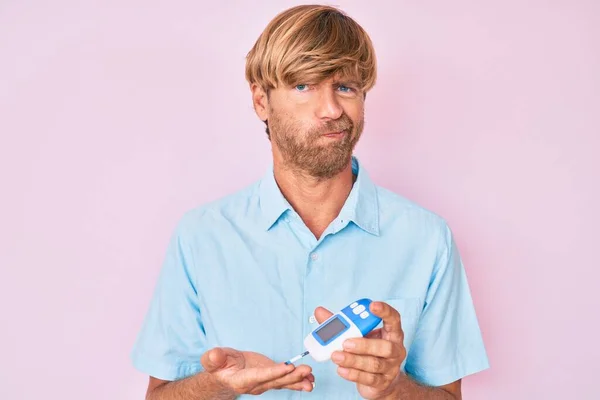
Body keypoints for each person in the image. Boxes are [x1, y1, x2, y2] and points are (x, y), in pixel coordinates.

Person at [131, 4, 489, 399]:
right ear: (261, 101)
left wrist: (393, 388)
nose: (332, 109)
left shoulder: (427, 239)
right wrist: (217, 386)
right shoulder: (201, 236)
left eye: (346, 87)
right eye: (304, 86)